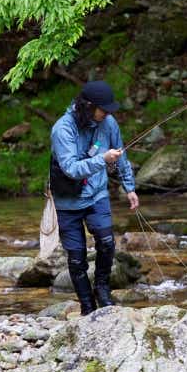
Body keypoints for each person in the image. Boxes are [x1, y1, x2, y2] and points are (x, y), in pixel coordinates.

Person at [50, 81, 139, 315]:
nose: (108, 113)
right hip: (67, 200)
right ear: (87, 106)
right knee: (77, 258)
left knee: (107, 242)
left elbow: (121, 154)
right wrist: (103, 159)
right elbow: (70, 168)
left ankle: (102, 289)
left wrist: (129, 187)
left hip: (97, 194)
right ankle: (87, 306)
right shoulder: (63, 129)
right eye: (104, 109)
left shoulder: (107, 123)